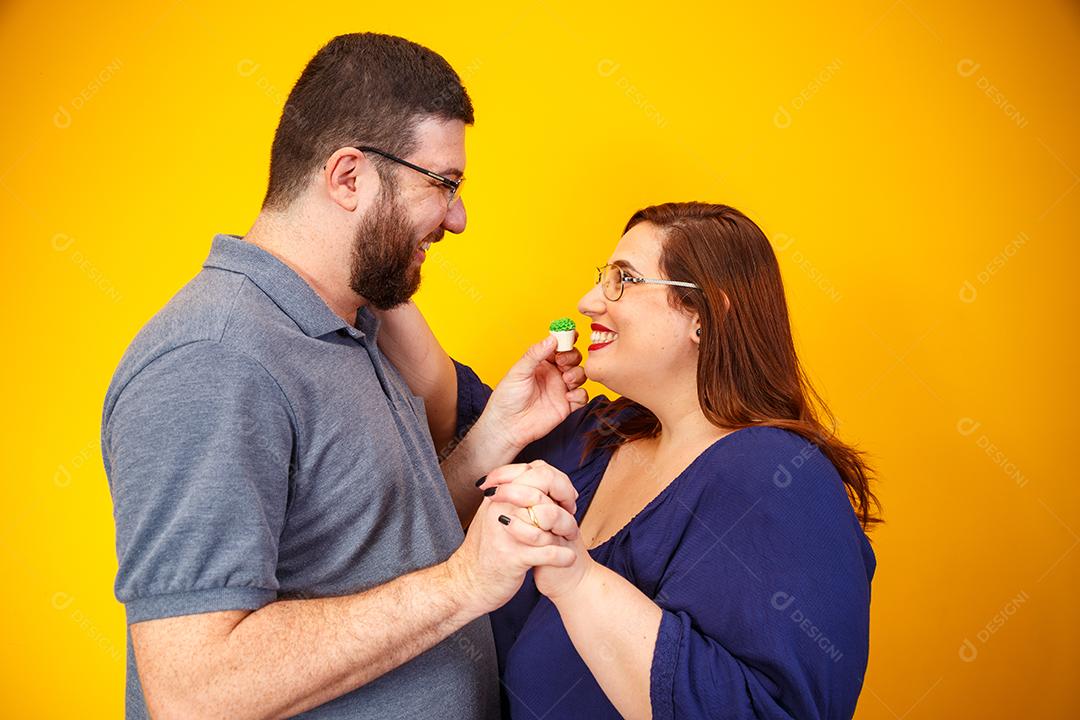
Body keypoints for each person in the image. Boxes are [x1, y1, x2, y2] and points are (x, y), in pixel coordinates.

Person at [100, 33, 589, 719]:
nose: (457, 218)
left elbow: (375, 546)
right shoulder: (214, 359)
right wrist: (463, 585)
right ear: (349, 177)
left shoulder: (350, 326)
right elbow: (194, 691)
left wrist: (494, 437)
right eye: (443, 184)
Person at [379, 201, 880, 719]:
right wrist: (366, 248)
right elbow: (445, 405)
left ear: (704, 315)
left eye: (624, 279)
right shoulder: (602, 435)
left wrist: (577, 580)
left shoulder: (779, 477)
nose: (589, 301)